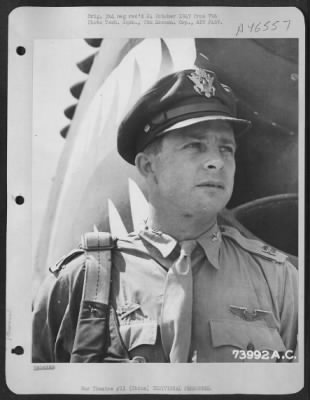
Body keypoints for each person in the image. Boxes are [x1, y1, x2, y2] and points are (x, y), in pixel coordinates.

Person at [32, 67, 298, 363]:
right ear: (148, 166)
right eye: (194, 146)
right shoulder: (80, 281)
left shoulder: (280, 280)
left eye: (226, 149)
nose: (216, 162)